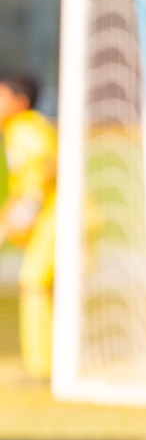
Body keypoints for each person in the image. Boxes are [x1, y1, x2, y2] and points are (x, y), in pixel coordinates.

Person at [0, 72, 56, 381]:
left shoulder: (24, 128)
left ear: (19, 102)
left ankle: (43, 367)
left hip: (57, 216)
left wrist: (29, 207)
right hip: (55, 216)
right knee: (49, 286)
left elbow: (43, 164)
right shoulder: (18, 130)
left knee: (34, 280)